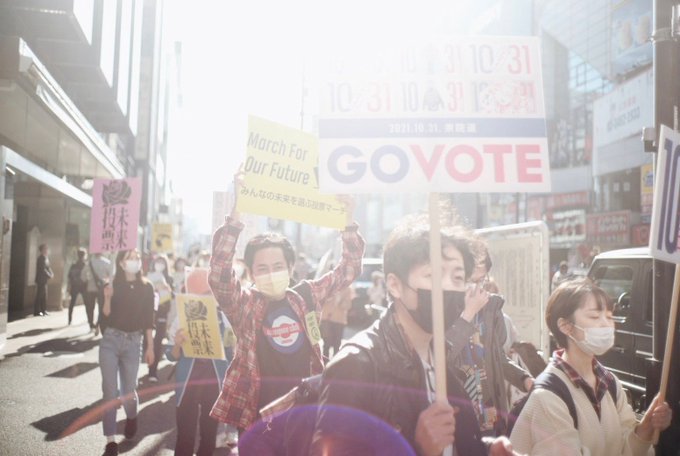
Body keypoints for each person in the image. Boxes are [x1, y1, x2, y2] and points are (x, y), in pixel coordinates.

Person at [312, 218, 517, 455]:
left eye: (457, 278)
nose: (447, 288)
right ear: (395, 285)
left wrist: (488, 450)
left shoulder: (441, 360)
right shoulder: (356, 365)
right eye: (433, 275)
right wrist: (416, 448)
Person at [208, 170, 365, 434]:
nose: (271, 274)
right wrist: (237, 212)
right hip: (256, 416)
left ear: (291, 268)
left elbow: (348, 269)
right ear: (251, 273)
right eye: (262, 268)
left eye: (278, 266)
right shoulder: (243, 304)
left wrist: (348, 220)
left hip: (304, 410)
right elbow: (219, 274)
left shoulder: (307, 295)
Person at [510, 279, 672, 455]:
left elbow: (626, 448)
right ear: (565, 326)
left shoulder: (610, 383)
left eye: (609, 316)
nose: (606, 324)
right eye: (594, 316)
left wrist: (647, 427)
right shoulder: (548, 396)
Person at [450, 246, 534, 436]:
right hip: (458, 414)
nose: (477, 287)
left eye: (481, 280)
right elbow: (442, 356)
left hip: (489, 410)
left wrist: (524, 379)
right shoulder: (443, 310)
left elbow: (498, 358)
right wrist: (468, 314)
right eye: (470, 280)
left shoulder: (491, 309)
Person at [99, 249, 155, 456]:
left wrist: (150, 347)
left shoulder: (147, 287)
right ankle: (110, 440)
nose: (135, 261)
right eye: (130, 258)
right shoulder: (111, 284)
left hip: (133, 342)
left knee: (127, 392)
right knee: (109, 390)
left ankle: (132, 416)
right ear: (121, 263)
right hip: (110, 341)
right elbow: (105, 316)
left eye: (137, 258)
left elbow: (148, 320)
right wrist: (107, 297)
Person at [166, 310, 233, 456]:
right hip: (187, 382)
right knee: (185, 435)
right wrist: (177, 344)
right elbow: (171, 355)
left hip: (213, 381)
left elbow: (230, 353)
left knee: (209, 435)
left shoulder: (223, 318)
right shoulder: (182, 317)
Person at [146, 255, 174, 383]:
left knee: (158, 342)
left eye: (162, 262)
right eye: (158, 262)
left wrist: (168, 289)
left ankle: (152, 371)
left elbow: (173, 296)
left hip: (163, 313)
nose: (160, 264)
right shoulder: (148, 277)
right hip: (149, 313)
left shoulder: (169, 278)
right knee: (148, 341)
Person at [320, 285, 354, 359]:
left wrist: (340, 301)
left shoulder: (347, 289)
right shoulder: (329, 285)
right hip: (326, 318)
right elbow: (320, 300)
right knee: (326, 343)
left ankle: (335, 363)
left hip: (339, 320)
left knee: (337, 344)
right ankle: (325, 363)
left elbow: (348, 305)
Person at [83, 252, 113, 335]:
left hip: (90, 288)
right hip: (102, 289)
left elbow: (83, 277)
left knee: (90, 308)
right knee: (101, 308)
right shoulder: (107, 262)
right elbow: (111, 276)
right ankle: (98, 325)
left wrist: (88, 280)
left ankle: (91, 324)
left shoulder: (89, 263)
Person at [67, 247, 90, 326]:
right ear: (84, 256)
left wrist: (69, 286)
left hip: (74, 286)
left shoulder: (73, 265)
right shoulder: (86, 265)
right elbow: (88, 277)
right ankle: (89, 319)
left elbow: (69, 276)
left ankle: (69, 320)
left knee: (72, 303)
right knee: (87, 304)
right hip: (84, 287)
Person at [33, 243, 53, 316]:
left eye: (47, 248)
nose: (47, 250)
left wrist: (51, 273)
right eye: (45, 249)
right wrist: (49, 275)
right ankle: (37, 311)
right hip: (40, 280)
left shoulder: (46, 258)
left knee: (44, 296)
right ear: (42, 250)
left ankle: (43, 310)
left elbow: (48, 268)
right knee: (39, 295)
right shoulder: (41, 258)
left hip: (44, 280)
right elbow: (42, 269)